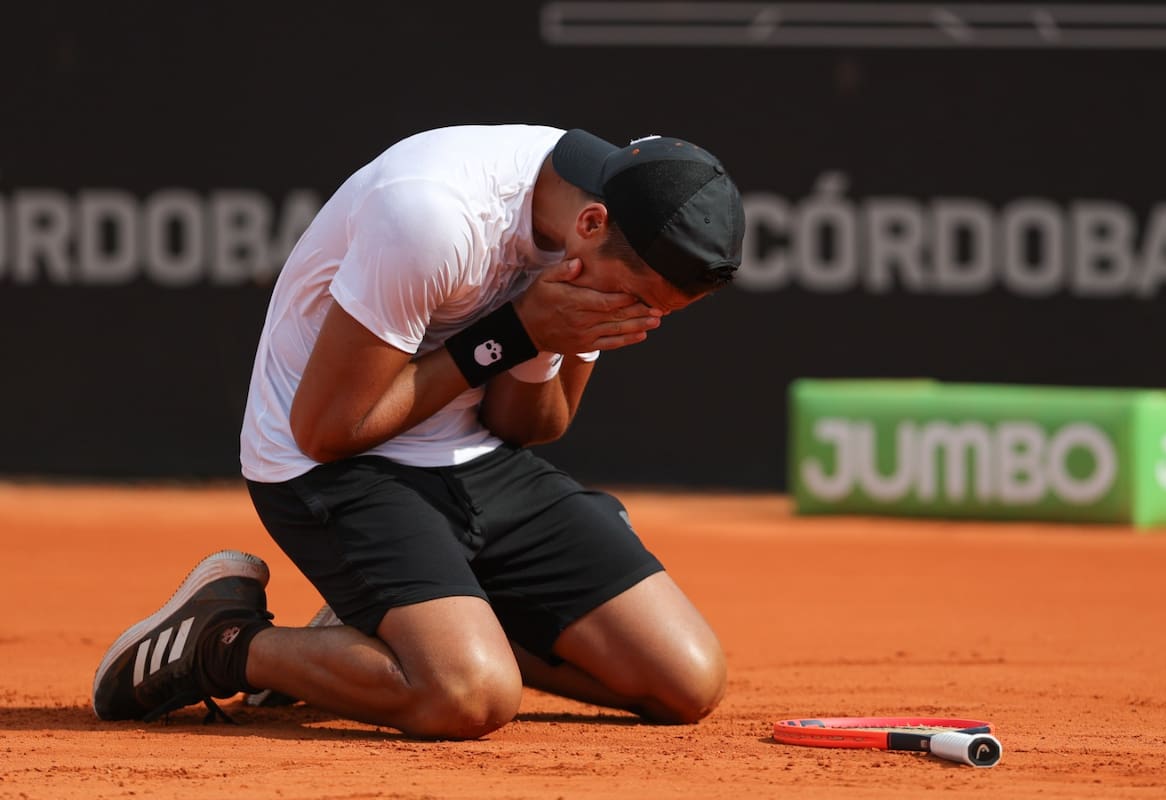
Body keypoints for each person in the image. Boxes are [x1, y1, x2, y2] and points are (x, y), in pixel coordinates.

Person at [92, 124, 745, 738]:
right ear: (591, 223)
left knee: (686, 683)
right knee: (467, 695)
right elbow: (329, 429)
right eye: (635, 302)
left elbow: (528, 426)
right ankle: (221, 642)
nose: (635, 319)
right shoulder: (430, 216)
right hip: (331, 467)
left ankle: (391, 623)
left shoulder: (610, 226)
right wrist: (516, 330)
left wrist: (545, 343)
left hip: (477, 462)